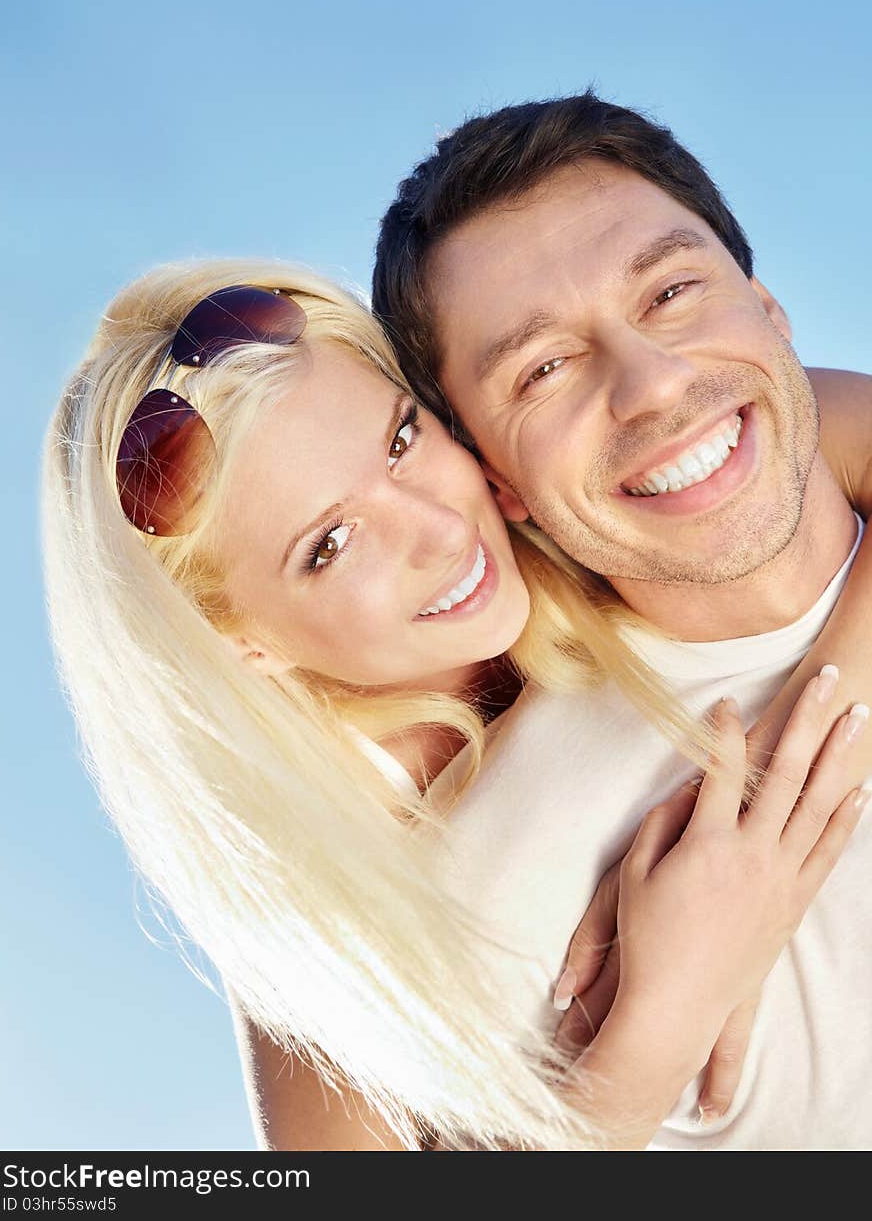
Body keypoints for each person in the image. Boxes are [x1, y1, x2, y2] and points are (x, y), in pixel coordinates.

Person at [42, 260, 869, 1152]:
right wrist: (662, 1017)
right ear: (249, 645)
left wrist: (791, 777)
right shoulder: (318, 906)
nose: (440, 531)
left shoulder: (575, 492)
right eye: (330, 544)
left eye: (402, 440)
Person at [371, 91, 872, 1148]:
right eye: (542, 368)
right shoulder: (496, 877)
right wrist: (648, 1035)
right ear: (493, 479)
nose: (649, 386)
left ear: (768, 308)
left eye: (672, 291)